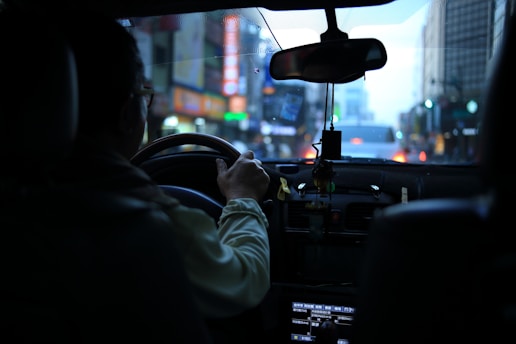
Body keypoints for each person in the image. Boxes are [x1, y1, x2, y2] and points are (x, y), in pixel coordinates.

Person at [51, 11, 271, 320]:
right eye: (145, 94)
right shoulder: (150, 224)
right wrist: (243, 198)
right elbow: (243, 279)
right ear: (129, 113)